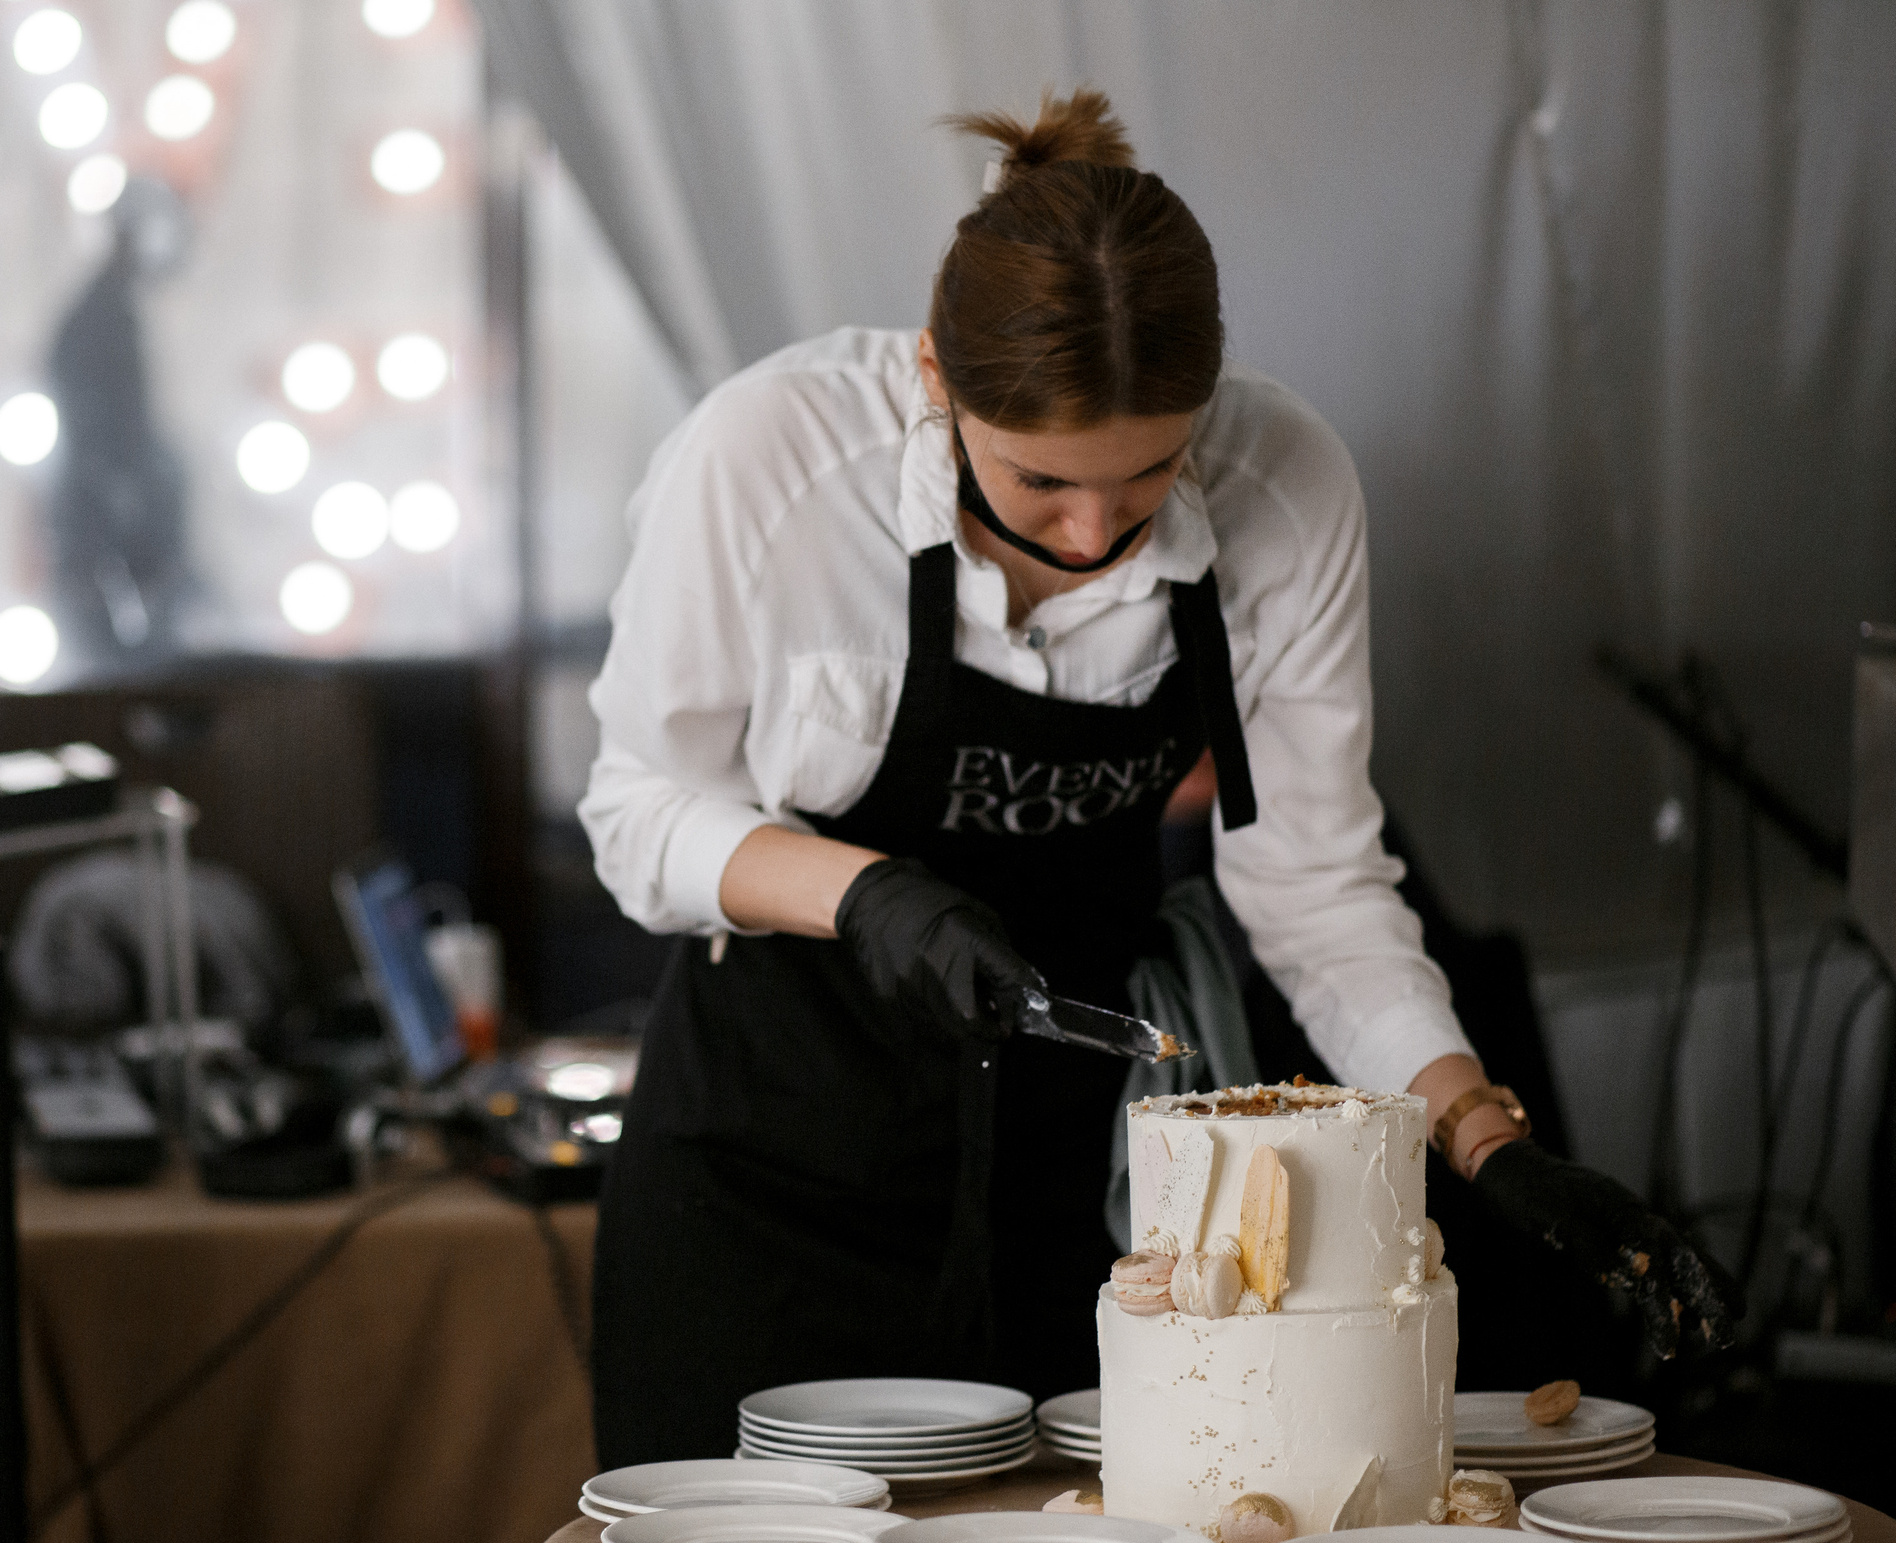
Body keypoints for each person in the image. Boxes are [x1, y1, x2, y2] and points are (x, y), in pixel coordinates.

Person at [578, 88, 1738, 1469]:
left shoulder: (1288, 484)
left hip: (1089, 1171)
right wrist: (872, 894)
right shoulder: (768, 460)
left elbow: (1313, 886)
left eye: (1146, 479)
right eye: (1039, 484)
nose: (1093, 532)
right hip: (771, 1158)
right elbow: (639, 811)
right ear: (937, 378)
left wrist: (1484, 1139)